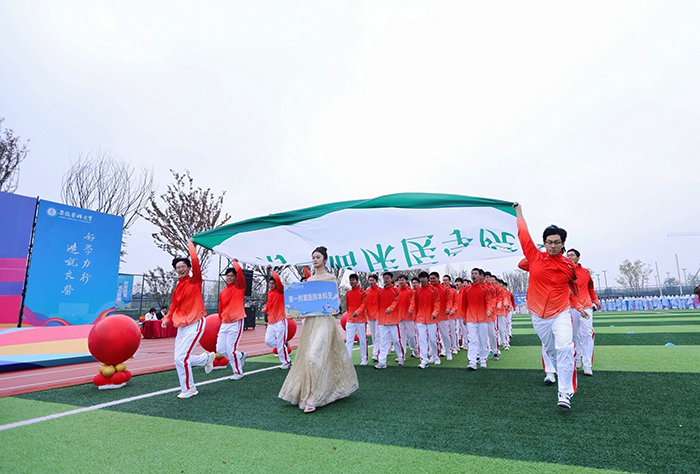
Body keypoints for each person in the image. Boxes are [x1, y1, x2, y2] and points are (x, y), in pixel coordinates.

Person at [514, 202, 584, 409]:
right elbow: (523, 234)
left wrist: (579, 305)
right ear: (544, 243)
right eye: (549, 242)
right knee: (553, 352)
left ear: (563, 244)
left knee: (565, 348)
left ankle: (565, 392)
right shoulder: (534, 257)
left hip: (560, 312)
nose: (552, 246)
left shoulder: (569, 266)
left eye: (557, 242)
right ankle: (561, 377)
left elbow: (573, 288)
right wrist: (519, 212)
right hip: (538, 315)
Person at [278, 246, 359, 413]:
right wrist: (295, 310)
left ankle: (313, 397)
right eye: (313, 257)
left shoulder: (331, 278)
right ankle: (310, 393)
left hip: (325, 321)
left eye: (318, 257)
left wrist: (333, 306)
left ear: (325, 260)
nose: (315, 260)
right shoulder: (308, 281)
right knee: (310, 356)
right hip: (311, 322)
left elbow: (336, 302)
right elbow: (302, 303)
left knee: (315, 357)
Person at [161, 239, 215, 399]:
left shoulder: (195, 280)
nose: (180, 269)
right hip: (181, 325)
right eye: (178, 267)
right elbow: (174, 305)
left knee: (181, 358)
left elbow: (196, 262)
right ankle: (206, 358)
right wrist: (167, 318)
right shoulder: (178, 286)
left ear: (189, 268)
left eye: (183, 266)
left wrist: (191, 245)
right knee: (178, 359)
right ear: (175, 270)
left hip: (195, 322)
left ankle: (190, 389)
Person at [566, 249, 601, 376]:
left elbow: (590, 288)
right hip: (571, 307)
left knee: (587, 334)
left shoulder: (585, 272)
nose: (569, 257)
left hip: (586, 306)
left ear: (578, 257)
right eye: (567, 255)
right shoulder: (564, 271)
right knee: (573, 335)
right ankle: (576, 359)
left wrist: (595, 300)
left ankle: (587, 365)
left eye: (572, 255)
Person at [217, 261, 248, 380]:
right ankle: (240, 356)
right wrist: (221, 319)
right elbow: (221, 307)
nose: (229, 278)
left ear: (235, 277)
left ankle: (238, 372)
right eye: (227, 276)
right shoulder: (223, 292)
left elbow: (240, 272)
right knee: (220, 349)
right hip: (225, 322)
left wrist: (235, 262)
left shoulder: (240, 287)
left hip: (236, 321)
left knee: (231, 349)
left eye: (231, 276)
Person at [463, 268, 496, 369]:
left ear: (479, 276)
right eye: (472, 273)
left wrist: (489, 310)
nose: (473, 275)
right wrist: (464, 317)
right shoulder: (466, 290)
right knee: (472, 340)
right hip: (471, 318)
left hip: (483, 319)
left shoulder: (485, 289)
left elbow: (489, 301)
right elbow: (464, 305)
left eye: (475, 273)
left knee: (483, 340)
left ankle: (483, 359)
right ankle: (472, 361)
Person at [410, 271, 440, 369]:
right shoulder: (417, 292)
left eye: (424, 277)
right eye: (421, 278)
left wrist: (435, 313)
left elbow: (437, 303)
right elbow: (414, 304)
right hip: (420, 319)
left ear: (427, 279)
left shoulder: (434, 290)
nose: (422, 279)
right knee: (422, 339)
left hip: (431, 318)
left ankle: (435, 356)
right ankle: (424, 360)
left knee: (432, 339)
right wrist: (414, 314)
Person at [263, 268, 291, 369]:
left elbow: (278, 280)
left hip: (280, 320)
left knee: (280, 343)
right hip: (271, 321)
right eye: (270, 283)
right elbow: (269, 304)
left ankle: (286, 362)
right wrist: (265, 309)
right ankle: (283, 345)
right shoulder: (269, 293)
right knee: (268, 340)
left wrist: (272, 270)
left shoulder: (280, 291)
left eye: (273, 283)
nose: (271, 285)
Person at [376, 272, 403, 369]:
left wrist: (390, 309)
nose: (386, 280)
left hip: (393, 320)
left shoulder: (395, 291)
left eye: (388, 278)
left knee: (396, 340)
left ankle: (400, 357)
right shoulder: (380, 292)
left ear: (391, 279)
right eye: (384, 278)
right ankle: (382, 362)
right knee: (383, 342)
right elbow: (378, 305)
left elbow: (396, 302)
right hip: (382, 320)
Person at [344, 273, 368, 365]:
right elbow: (347, 305)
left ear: (357, 281)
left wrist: (357, 312)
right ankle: (347, 360)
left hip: (360, 320)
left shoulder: (362, 293)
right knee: (349, 340)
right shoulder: (348, 293)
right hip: (350, 320)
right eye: (350, 280)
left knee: (362, 340)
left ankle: (364, 359)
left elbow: (363, 305)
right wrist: (350, 314)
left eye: (353, 280)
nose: (352, 282)